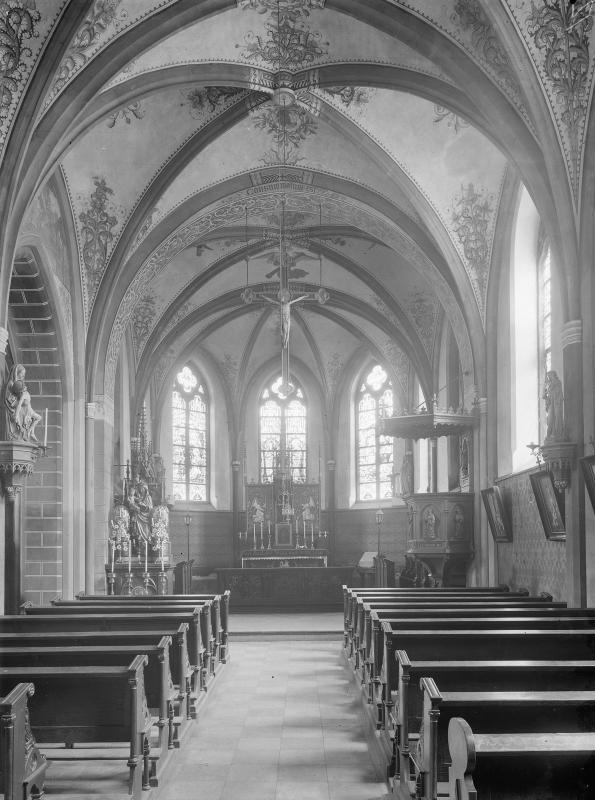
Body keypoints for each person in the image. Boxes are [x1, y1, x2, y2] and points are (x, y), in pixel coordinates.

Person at [3, 363, 42, 442]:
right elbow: (8, 399)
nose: (22, 376)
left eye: (24, 374)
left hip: (23, 409)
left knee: (35, 419)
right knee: (19, 429)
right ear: (16, 372)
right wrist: (20, 399)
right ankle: (23, 434)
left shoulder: (19, 383)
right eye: (21, 374)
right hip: (16, 409)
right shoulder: (11, 383)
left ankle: (29, 433)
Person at [128, 480, 153, 549]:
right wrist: (136, 505)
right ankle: (138, 544)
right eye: (140, 488)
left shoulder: (148, 497)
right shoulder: (139, 497)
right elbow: (132, 503)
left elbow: (150, 508)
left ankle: (146, 544)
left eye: (142, 488)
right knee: (137, 530)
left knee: (146, 531)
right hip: (138, 516)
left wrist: (142, 506)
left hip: (145, 517)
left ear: (145, 489)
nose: (141, 490)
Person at [543, 370, 565, 440]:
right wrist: (545, 394)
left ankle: (558, 434)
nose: (549, 377)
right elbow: (545, 395)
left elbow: (558, 393)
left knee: (557, 417)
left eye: (549, 376)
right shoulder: (549, 384)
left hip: (557, 403)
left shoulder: (557, 382)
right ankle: (550, 434)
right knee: (550, 418)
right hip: (551, 403)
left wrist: (548, 389)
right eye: (548, 376)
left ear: (553, 375)